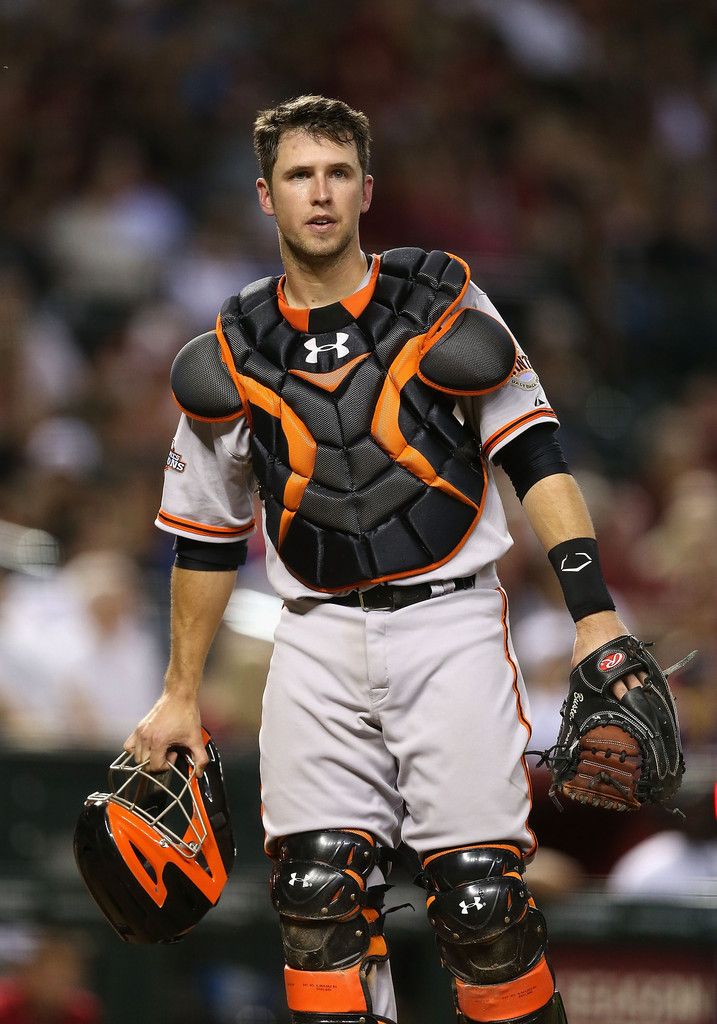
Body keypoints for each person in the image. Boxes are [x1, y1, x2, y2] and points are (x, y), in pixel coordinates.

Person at [125, 95, 645, 1024]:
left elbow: (533, 452)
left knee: (482, 901)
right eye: (297, 176)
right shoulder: (232, 347)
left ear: (368, 188)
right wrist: (179, 692)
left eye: (335, 174)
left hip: (447, 619)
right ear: (264, 196)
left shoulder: (441, 300)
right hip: (313, 637)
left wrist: (594, 612)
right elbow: (203, 536)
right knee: (315, 900)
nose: (317, 194)